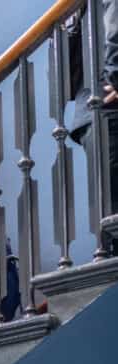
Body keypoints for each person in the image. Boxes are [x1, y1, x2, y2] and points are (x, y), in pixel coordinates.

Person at [67, 2, 118, 221]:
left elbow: (61, 81)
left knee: (109, 210)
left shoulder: (72, 11)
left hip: (91, 108)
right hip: (107, 103)